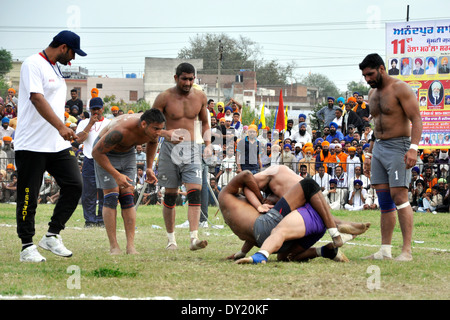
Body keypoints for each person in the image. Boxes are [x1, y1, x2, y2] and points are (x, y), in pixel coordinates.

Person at [15, 30, 86, 263]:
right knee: (29, 195)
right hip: (32, 144)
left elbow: (53, 103)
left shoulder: (55, 67)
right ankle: (27, 247)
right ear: (64, 47)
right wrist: (60, 127)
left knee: (75, 185)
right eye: (73, 53)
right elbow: (37, 98)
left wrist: (64, 127)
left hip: (55, 144)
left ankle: (52, 235)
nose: (73, 60)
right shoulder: (32, 64)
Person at [220, 170, 370, 264]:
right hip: (272, 227)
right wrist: (260, 202)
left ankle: (325, 249)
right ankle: (336, 231)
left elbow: (253, 233)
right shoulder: (225, 192)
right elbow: (246, 175)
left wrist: (242, 253)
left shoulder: (231, 210)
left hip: (267, 240)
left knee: (285, 257)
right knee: (309, 185)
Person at [360, 53, 423, 261]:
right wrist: (369, 153)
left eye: (370, 74)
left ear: (381, 68)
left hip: (399, 146)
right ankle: (385, 251)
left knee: (399, 197)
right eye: (364, 76)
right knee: (384, 200)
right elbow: (375, 123)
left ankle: (406, 251)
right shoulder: (371, 93)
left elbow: (416, 118)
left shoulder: (400, 88)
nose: (367, 79)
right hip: (378, 147)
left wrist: (413, 148)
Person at [151, 62, 211, 251]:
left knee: (195, 191)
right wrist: (167, 133)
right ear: (176, 77)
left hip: (192, 149)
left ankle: (194, 238)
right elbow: (149, 127)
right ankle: (171, 240)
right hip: (170, 149)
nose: (188, 82)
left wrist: (208, 144)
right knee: (170, 196)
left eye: (191, 79)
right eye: (184, 78)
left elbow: (205, 124)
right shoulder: (163, 98)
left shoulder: (200, 96)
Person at [92, 109, 165, 254]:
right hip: (105, 153)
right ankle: (114, 246)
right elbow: (96, 152)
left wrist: (149, 168)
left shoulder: (152, 130)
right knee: (111, 197)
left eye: (161, 129)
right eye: (156, 129)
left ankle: (130, 246)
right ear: (144, 124)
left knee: (127, 197)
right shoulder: (121, 130)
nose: (158, 132)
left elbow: (153, 143)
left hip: (127, 153)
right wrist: (116, 174)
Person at [76, 97, 110, 228]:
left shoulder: (108, 123)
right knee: (88, 192)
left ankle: (102, 219)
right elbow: (79, 140)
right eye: (93, 109)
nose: (96, 111)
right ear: (89, 110)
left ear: (102, 109)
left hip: (104, 160)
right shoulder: (83, 123)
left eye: (98, 109)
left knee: (104, 191)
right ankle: (90, 220)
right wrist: (90, 124)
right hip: (89, 160)